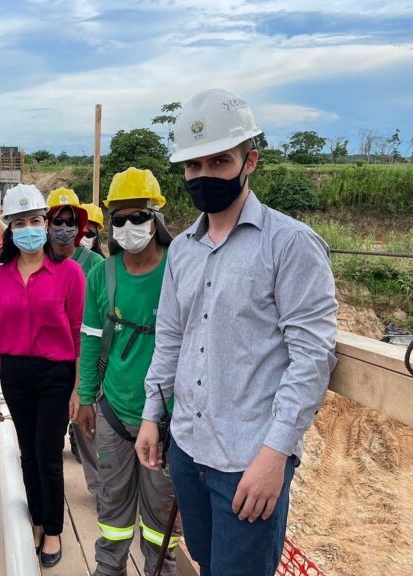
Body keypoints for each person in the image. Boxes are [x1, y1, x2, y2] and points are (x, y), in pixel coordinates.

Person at [135, 89, 338, 576]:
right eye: (193, 165)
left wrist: (275, 455)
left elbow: (312, 357)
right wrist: (151, 414)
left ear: (250, 161)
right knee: (207, 563)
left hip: (249, 460)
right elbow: (171, 338)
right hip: (188, 450)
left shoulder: (290, 245)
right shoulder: (182, 250)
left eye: (219, 161)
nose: (204, 175)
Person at [76, 168, 181, 576]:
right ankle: (109, 569)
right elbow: (90, 340)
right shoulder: (102, 275)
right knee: (112, 506)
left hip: (168, 417)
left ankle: (159, 570)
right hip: (115, 411)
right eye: (119, 219)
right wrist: (86, 397)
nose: (128, 226)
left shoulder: (179, 269)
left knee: (161, 516)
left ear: (156, 218)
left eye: (138, 217)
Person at [0, 183, 85, 568]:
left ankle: (54, 528)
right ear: (9, 229)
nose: (28, 228)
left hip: (56, 374)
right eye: (19, 222)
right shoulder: (1, 276)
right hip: (15, 375)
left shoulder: (70, 273)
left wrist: (78, 388)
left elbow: (77, 333)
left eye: (34, 220)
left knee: (48, 452)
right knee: (28, 452)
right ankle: (38, 520)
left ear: (44, 222)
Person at [44, 187, 103, 494]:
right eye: (57, 221)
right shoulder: (38, 261)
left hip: (85, 356)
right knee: (49, 431)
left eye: (70, 222)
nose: (64, 228)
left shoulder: (94, 264)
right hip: (50, 358)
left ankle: (101, 491)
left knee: (85, 423)